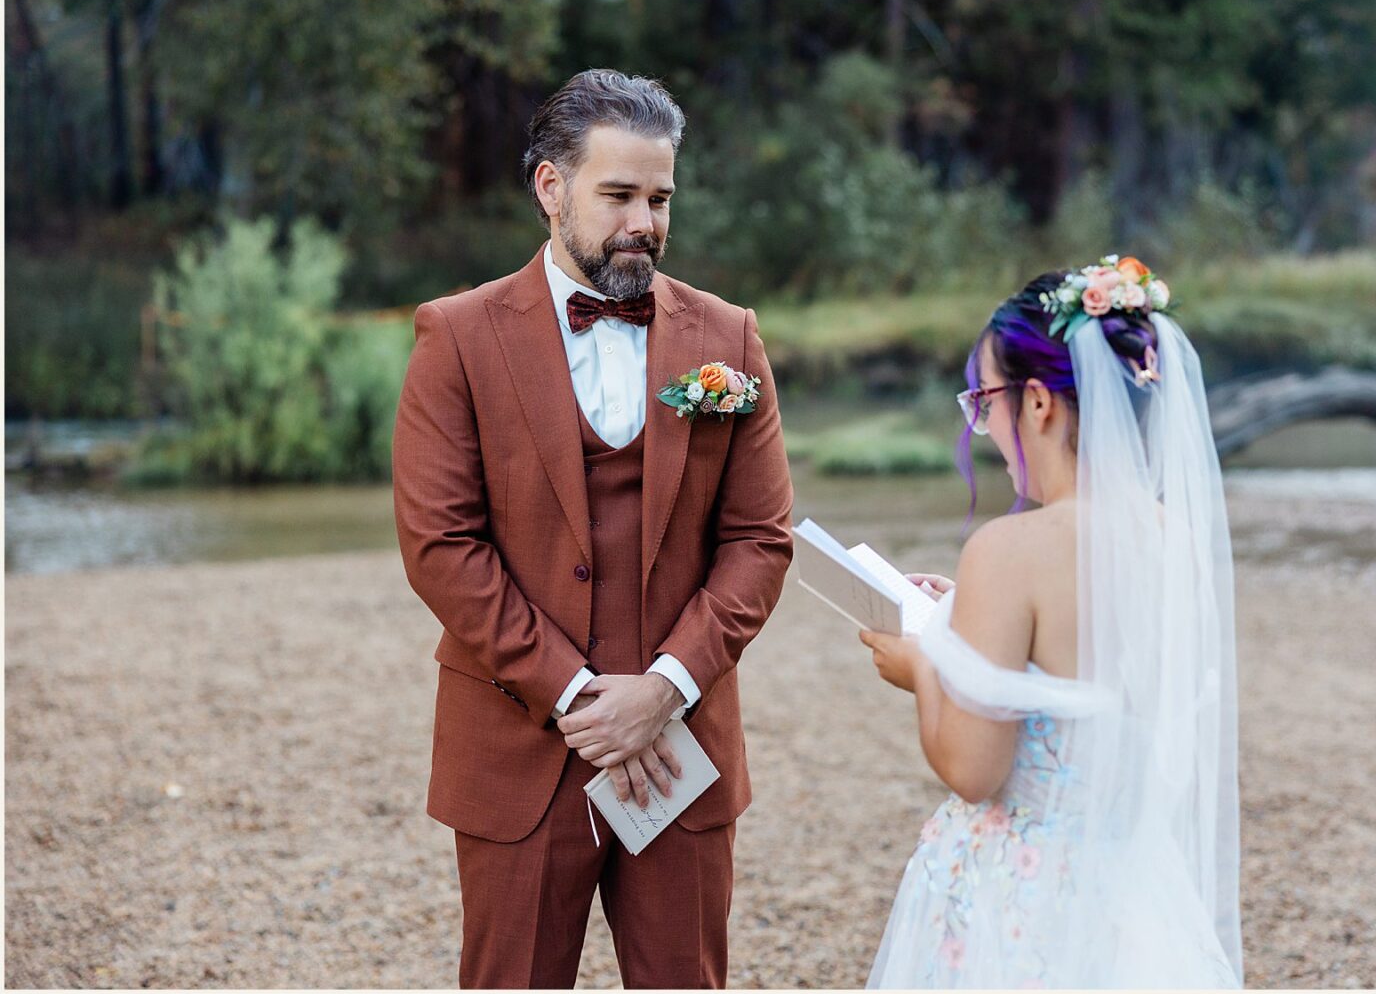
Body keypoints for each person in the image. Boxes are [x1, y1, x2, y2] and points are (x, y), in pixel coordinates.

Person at [392, 68, 793, 989]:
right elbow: (441, 547)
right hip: (517, 750)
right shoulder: (455, 337)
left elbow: (760, 540)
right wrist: (575, 693)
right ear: (550, 187)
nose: (644, 222)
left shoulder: (728, 338)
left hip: (679, 750)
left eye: (660, 198)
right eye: (619, 194)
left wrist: (665, 686)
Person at [857, 257, 1243, 988]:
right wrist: (959, 623)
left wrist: (924, 662)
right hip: (1130, 890)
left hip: (1017, 899)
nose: (983, 427)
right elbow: (1096, 687)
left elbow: (975, 768)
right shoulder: (1172, 535)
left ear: (1038, 403)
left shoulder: (1008, 550)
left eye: (986, 401)